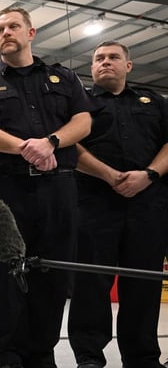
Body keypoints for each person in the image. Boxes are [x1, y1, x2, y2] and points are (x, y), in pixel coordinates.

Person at [0, 7, 92, 368]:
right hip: (2, 191)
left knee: (52, 275)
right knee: (2, 275)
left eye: (13, 26)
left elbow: (83, 121)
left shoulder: (63, 78)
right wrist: (29, 150)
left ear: (31, 33)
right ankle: (7, 355)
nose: (5, 32)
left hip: (59, 191)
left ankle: (42, 354)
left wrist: (51, 142)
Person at [67, 41, 168, 368]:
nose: (105, 62)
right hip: (94, 205)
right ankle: (89, 357)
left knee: (143, 283)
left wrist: (149, 175)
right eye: (98, 59)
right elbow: (71, 145)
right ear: (92, 67)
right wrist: (109, 175)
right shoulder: (78, 103)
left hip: (147, 206)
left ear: (128, 65)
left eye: (113, 57)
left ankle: (142, 357)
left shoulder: (153, 102)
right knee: (91, 284)